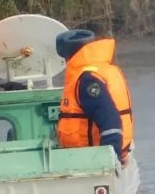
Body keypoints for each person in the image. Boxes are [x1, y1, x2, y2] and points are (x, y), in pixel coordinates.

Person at [55, 29, 134, 164]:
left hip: (91, 161)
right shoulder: (103, 69)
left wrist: (109, 161)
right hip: (93, 158)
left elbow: (110, 120)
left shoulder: (87, 80)